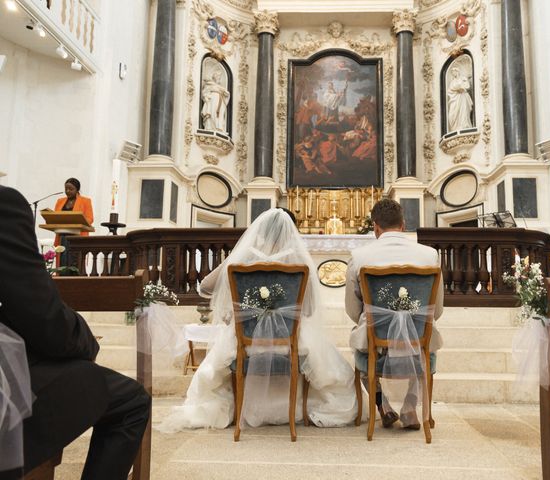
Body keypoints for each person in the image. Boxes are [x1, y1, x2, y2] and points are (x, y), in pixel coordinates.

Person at [160, 208, 358, 431]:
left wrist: (240, 305)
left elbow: (205, 286)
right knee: (332, 367)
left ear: (260, 232)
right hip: (290, 342)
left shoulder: (244, 258)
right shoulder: (299, 262)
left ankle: (240, 407)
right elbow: (310, 309)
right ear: (292, 232)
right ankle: (297, 409)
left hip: (245, 342)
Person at [0, 186, 150, 480]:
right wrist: (84, 341)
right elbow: (45, 322)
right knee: (131, 400)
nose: (67, 191)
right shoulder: (6, 204)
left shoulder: (84, 203)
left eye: (70, 188)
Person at [344, 199, 444, 430]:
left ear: (375, 226)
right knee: (425, 346)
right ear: (403, 224)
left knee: (360, 347)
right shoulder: (429, 255)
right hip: (419, 340)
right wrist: (413, 324)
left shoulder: (360, 257)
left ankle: (383, 405)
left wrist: (375, 322)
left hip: (375, 343)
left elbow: (352, 309)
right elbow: (436, 310)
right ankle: (410, 407)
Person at [201, 69, 230, 133]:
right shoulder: (209, 84)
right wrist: (207, 97)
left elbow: (226, 94)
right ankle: (210, 127)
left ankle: (219, 128)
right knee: (212, 113)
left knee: (220, 114)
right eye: (218, 77)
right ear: (215, 77)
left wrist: (226, 93)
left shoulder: (220, 88)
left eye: (219, 78)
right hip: (212, 101)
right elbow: (204, 92)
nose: (219, 79)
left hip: (220, 102)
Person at [446, 67, 473, 133]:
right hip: (455, 99)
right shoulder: (452, 82)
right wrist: (456, 89)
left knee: (463, 111)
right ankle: (454, 128)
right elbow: (449, 90)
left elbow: (467, 86)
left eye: (454, 72)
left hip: (462, 97)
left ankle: (464, 126)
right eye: (452, 73)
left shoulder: (463, 78)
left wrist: (461, 87)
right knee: (452, 114)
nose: (453, 74)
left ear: (457, 71)